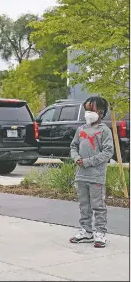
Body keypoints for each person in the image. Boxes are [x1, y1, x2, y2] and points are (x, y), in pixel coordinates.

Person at [69, 96, 114, 248]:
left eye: (92, 110)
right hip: (81, 176)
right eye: (86, 109)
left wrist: (88, 162)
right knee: (84, 205)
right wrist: (76, 159)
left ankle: (100, 233)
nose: (88, 113)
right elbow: (73, 146)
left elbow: (108, 152)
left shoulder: (104, 131)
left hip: (96, 177)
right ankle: (86, 231)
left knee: (98, 206)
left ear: (101, 113)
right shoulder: (81, 130)